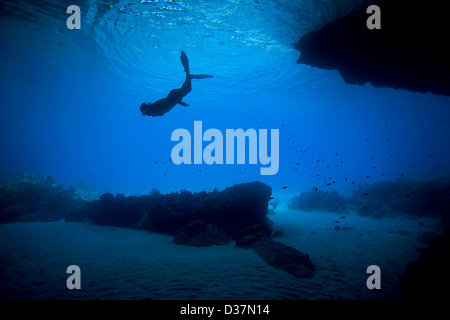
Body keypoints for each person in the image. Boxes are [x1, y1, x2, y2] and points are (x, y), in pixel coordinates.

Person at [140, 50, 213, 117]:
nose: (146, 114)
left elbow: (168, 101)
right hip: (174, 96)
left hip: (174, 96)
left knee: (188, 88)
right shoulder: (154, 111)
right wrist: (179, 102)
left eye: (145, 112)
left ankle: (188, 73)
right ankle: (189, 75)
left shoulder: (155, 109)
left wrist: (180, 102)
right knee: (187, 88)